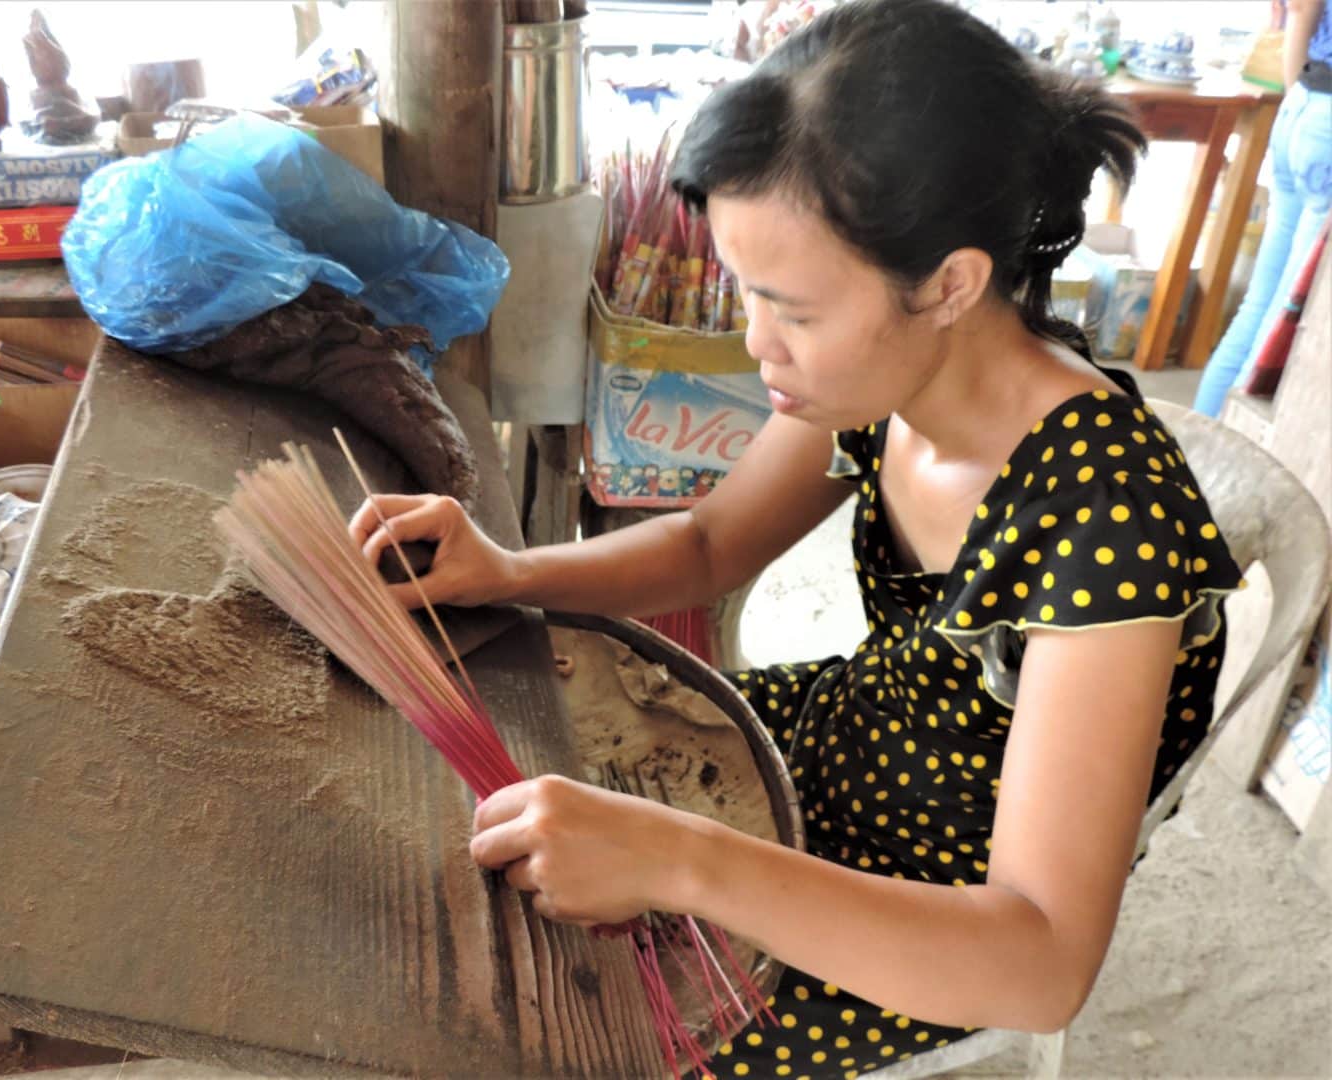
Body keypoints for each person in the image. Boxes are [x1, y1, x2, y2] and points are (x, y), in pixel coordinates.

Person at [351, 1, 1243, 1074]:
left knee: (551, 1035)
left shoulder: (1112, 522)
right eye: (745, 289)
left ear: (951, 283)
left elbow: (1040, 961)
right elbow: (709, 545)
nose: (754, 341)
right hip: (845, 741)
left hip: (935, 910)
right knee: (466, 779)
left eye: (795, 311)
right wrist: (508, 570)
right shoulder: (885, 372)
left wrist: (684, 861)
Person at [1193, 0, 1332, 416]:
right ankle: (1227, 458)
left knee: (1261, 304)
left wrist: (1298, 103)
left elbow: (1301, 9)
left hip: (1305, 105)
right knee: (1282, 315)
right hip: (1320, 119)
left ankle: (1196, 446)